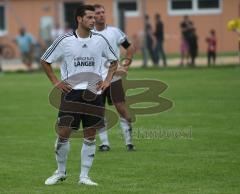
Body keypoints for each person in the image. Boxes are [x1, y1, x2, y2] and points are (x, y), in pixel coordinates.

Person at [40, 5, 118, 186]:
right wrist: (55, 82)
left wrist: (107, 81)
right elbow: (45, 60)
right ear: (79, 19)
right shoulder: (65, 40)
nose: (94, 20)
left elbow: (114, 62)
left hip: (94, 93)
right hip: (71, 93)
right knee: (64, 132)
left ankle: (84, 176)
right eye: (90, 17)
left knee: (90, 134)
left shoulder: (100, 40)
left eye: (94, 17)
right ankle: (60, 172)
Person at [93, 4, 135, 151]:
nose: (101, 15)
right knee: (99, 111)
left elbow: (129, 48)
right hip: (96, 79)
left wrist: (125, 65)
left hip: (114, 77)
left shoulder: (114, 32)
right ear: (92, 16)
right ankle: (105, 144)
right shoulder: (88, 34)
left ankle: (129, 142)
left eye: (103, 12)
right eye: (98, 13)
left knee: (121, 109)